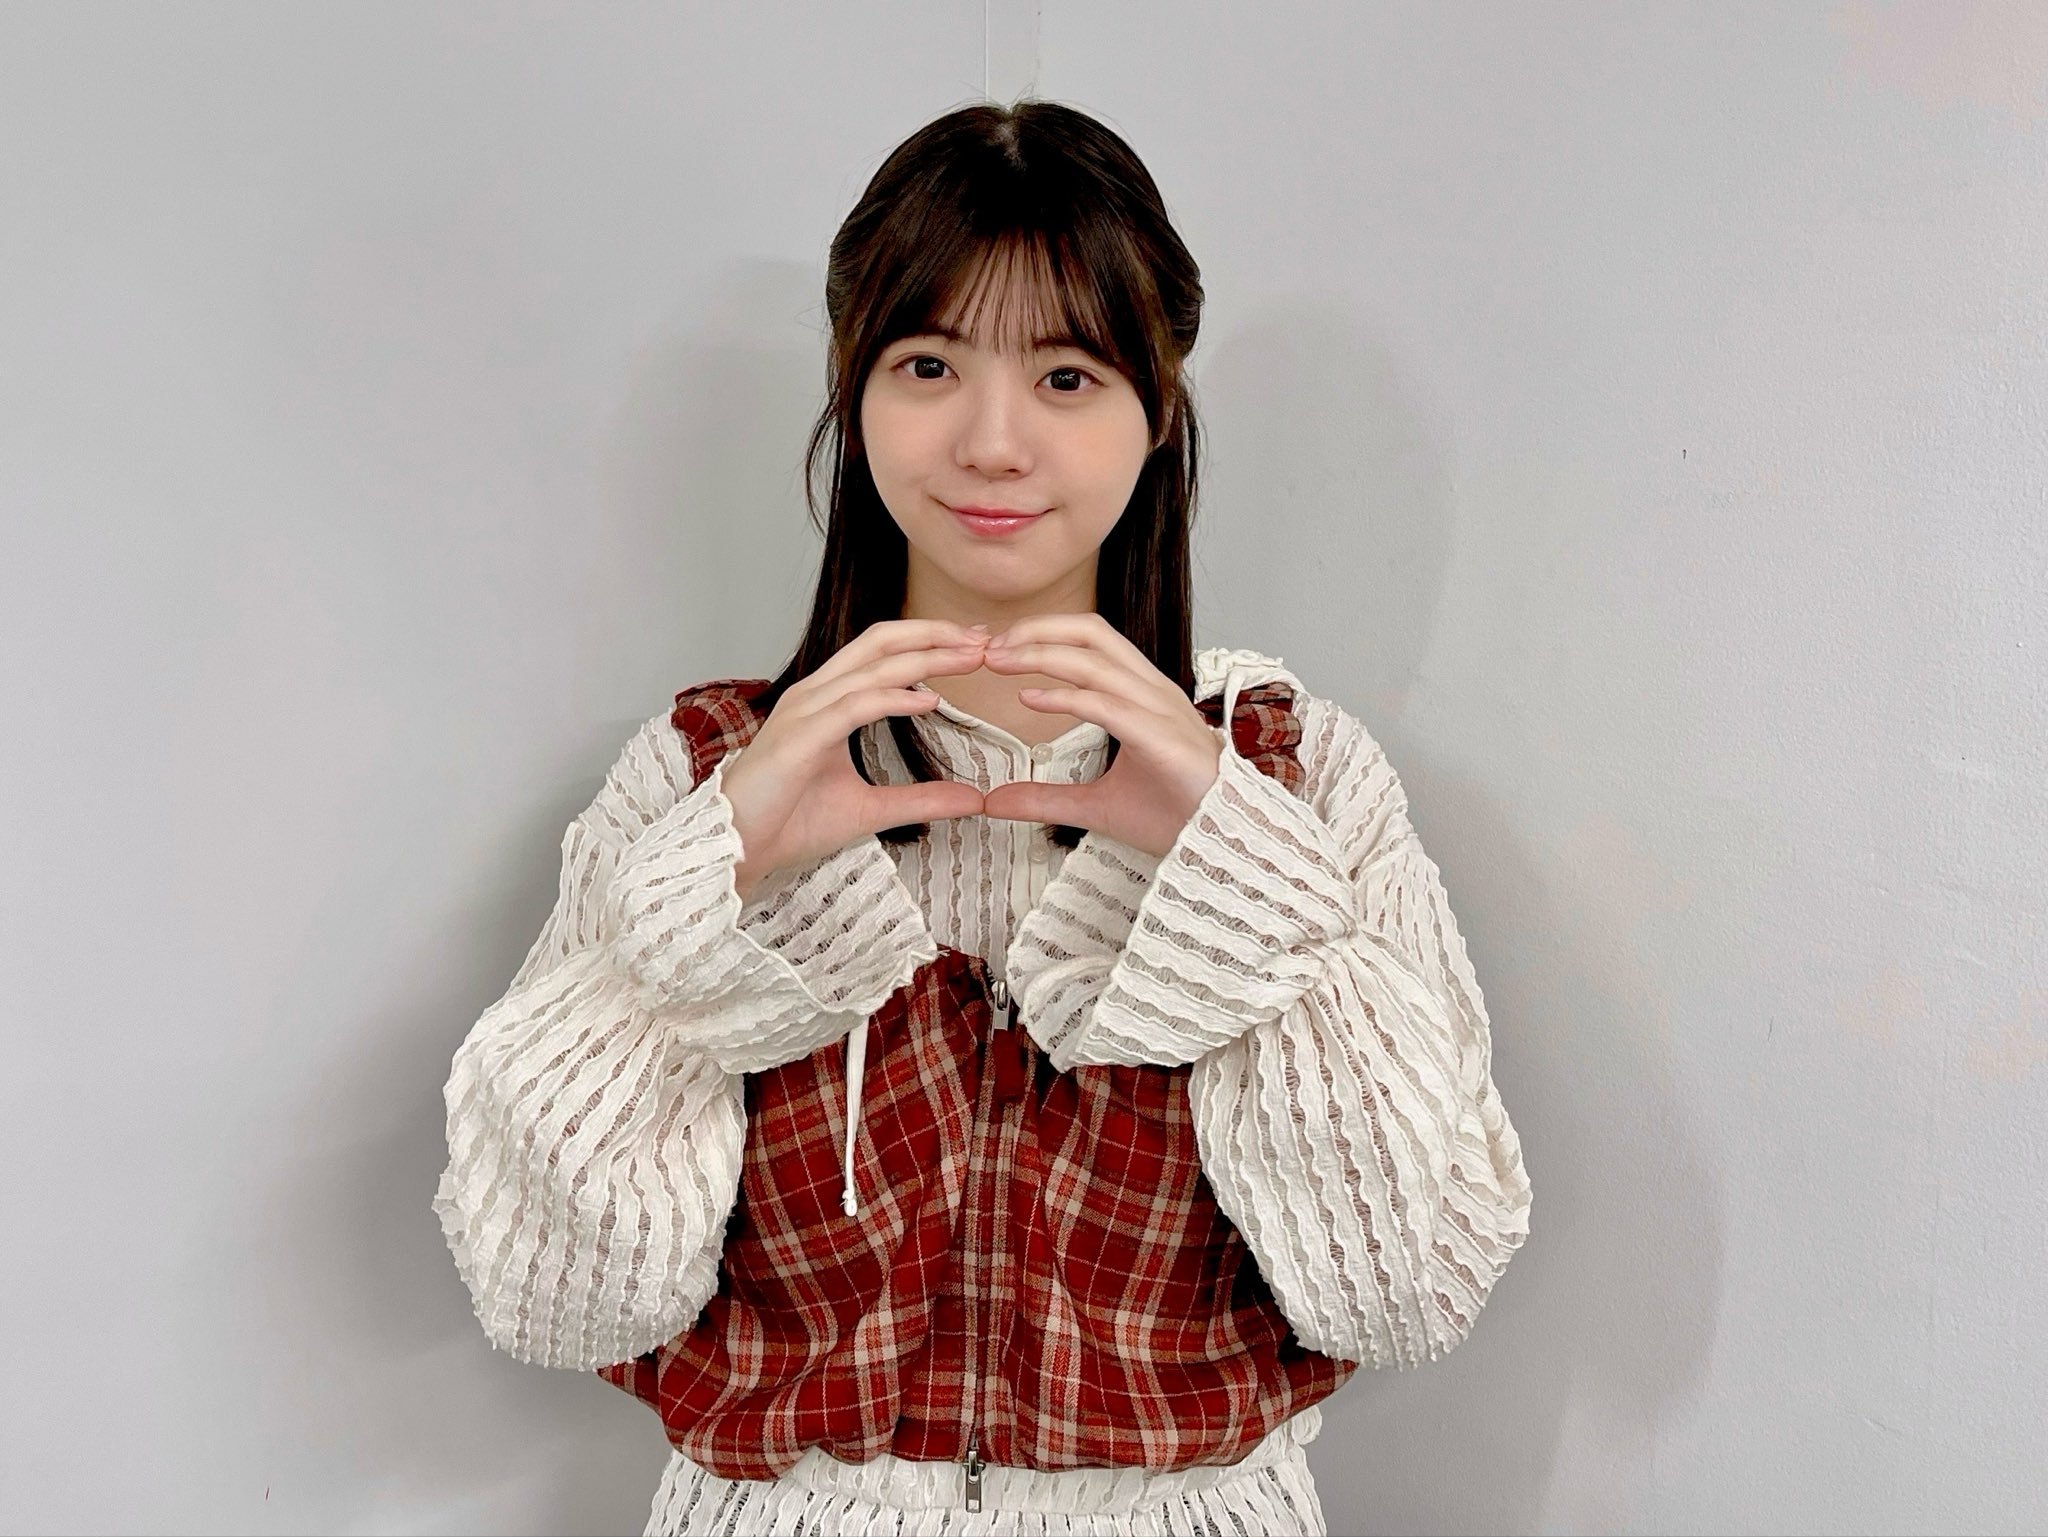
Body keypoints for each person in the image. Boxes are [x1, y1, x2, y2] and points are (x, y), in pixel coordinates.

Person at [432, 98, 1532, 1537]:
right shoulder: (701, 774)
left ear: (1159, 409)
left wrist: (1236, 867)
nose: (993, 442)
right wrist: (716, 886)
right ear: (855, 393)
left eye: (1067, 375)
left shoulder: (1296, 775)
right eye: (929, 365)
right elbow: (553, 1297)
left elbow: (1409, 1287)